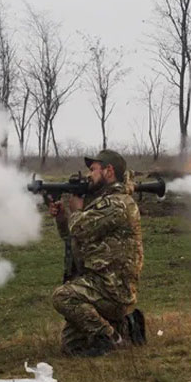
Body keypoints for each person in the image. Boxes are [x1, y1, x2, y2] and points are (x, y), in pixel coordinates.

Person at [48, 149, 145, 357]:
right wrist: (63, 217)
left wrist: (76, 210)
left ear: (108, 171)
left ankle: (112, 338)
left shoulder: (117, 204)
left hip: (113, 288)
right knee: (72, 347)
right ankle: (126, 325)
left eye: (93, 170)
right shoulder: (101, 201)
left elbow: (81, 227)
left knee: (62, 296)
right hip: (100, 281)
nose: (89, 175)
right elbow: (73, 236)